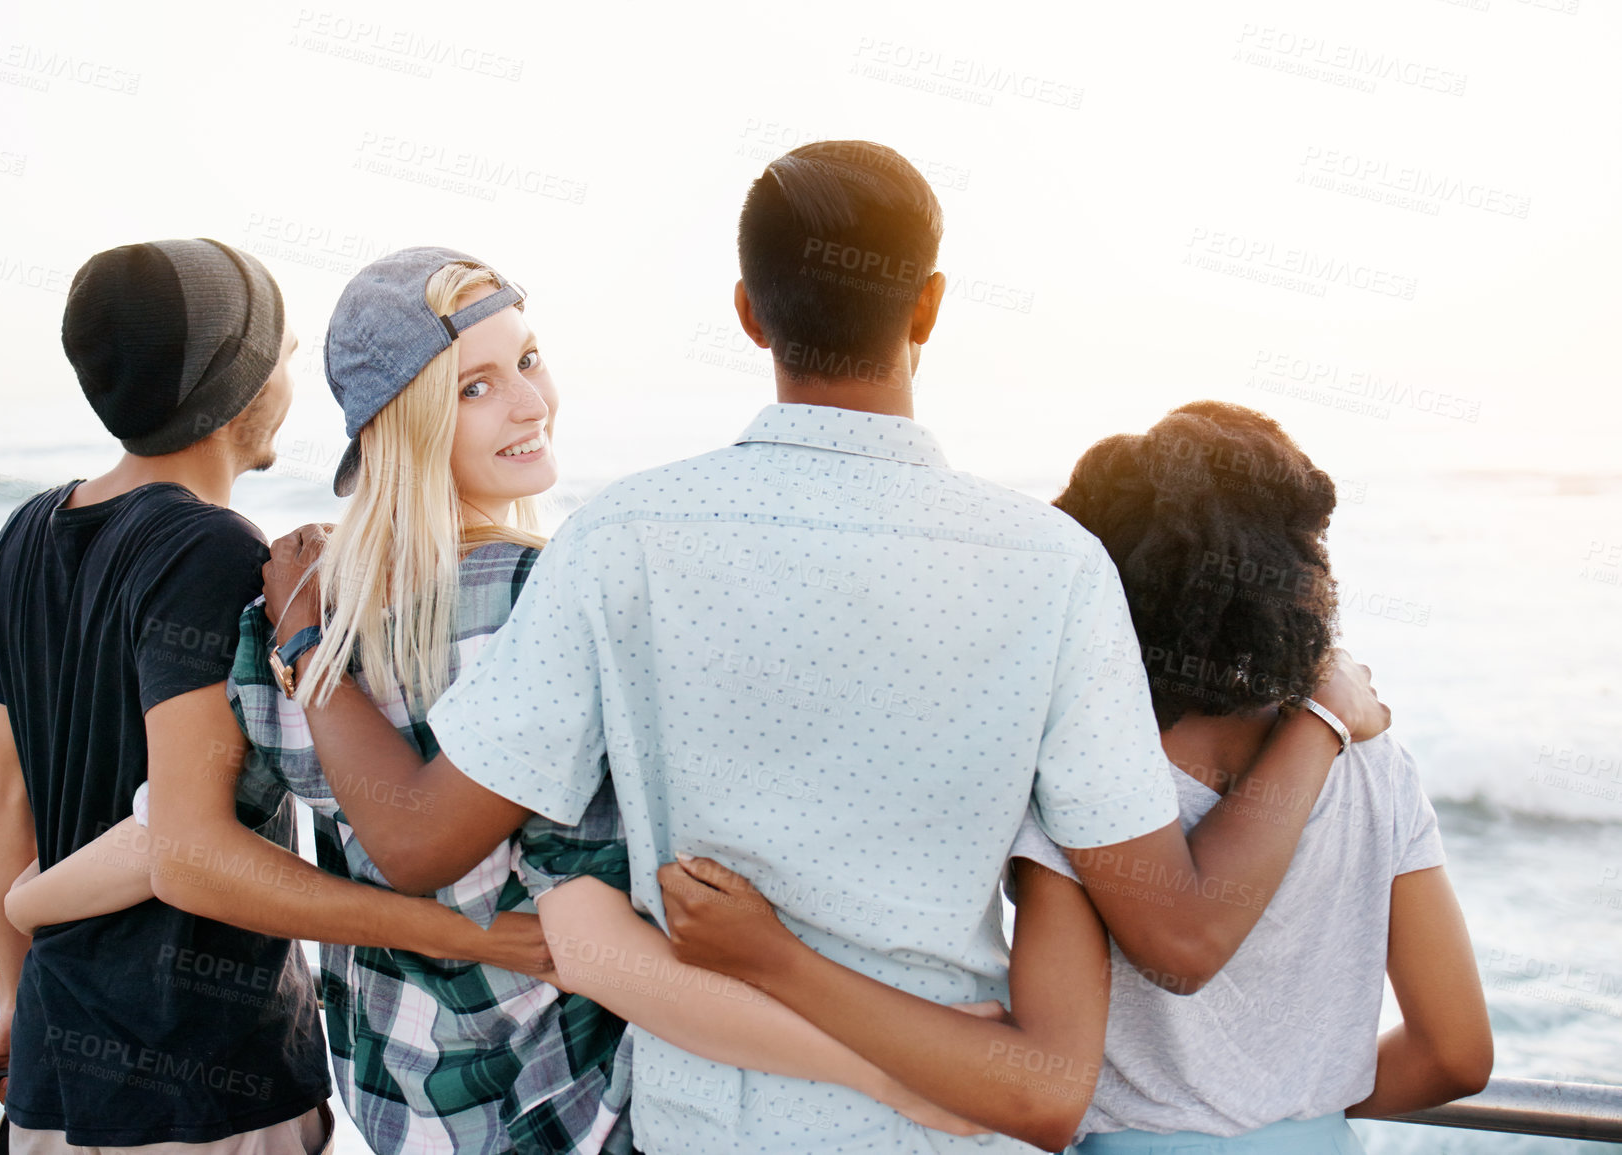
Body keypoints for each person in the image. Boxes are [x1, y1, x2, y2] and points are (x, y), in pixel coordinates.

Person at [260, 143, 1386, 1154]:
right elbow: (1177, 939)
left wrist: (311, 637)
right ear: (930, 308)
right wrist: (1325, 718)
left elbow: (413, 841)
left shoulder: (620, 541)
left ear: (750, 313)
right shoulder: (1056, 568)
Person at [233, 247, 975, 1153]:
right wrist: (892, 1066)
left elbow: (185, 836)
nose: (529, 403)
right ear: (408, 425)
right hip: (560, 1109)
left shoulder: (306, 610)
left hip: (404, 1108)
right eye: (473, 388)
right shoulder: (536, 598)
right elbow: (603, 945)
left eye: (530, 360)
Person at [657, 402, 1492, 1152]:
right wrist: (1287, 1111)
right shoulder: (1371, 759)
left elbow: (1050, 1088)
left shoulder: (1093, 785)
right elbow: (1456, 1052)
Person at [0, 239, 541, 1155]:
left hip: (53, 1068)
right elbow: (186, 845)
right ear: (237, 386)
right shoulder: (213, 554)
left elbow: (2, 800)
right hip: (197, 1085)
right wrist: (460, 933)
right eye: (280, 356)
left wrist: (12, 996)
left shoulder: (27, 532)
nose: (291, 378)